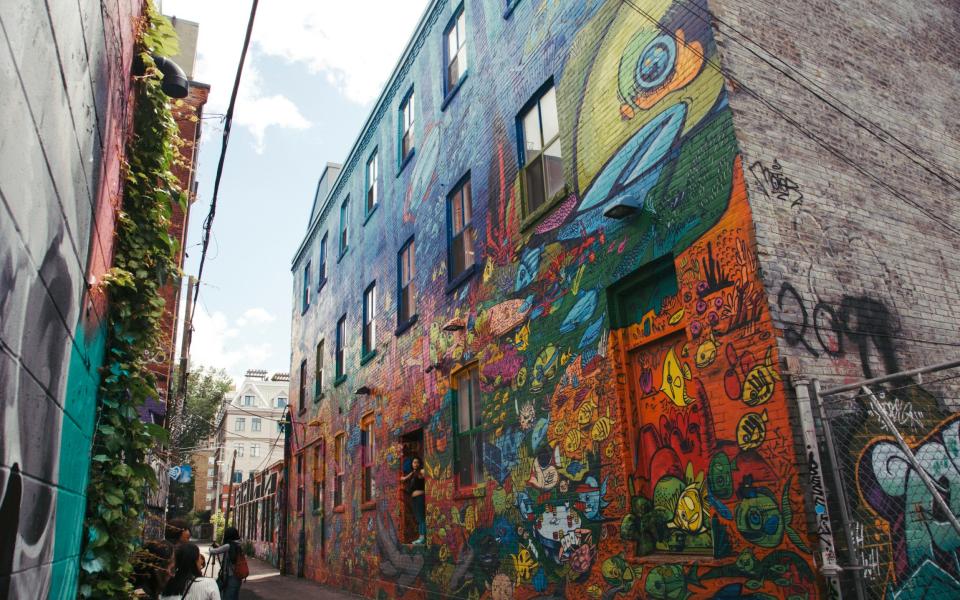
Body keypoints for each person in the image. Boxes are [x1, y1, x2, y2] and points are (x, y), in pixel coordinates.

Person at [209, 526, 244, 599]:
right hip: (239, 576)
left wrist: (211, 547)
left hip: (231, 577)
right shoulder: (239, 544)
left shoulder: (228, 545)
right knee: (234, 597)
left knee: (227, 597)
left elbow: (213, 552)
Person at [400, 457, 426, 544]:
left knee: (421, 518)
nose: (416, 464)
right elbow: (405, 478)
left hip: (419, 498)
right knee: (418, 518)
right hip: (415, 499)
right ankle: (420, 537)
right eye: (414, 462)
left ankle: (422, 537)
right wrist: (404, 478)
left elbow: (428, 474)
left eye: (417, 462)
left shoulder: (421, 471)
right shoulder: (413, 473)